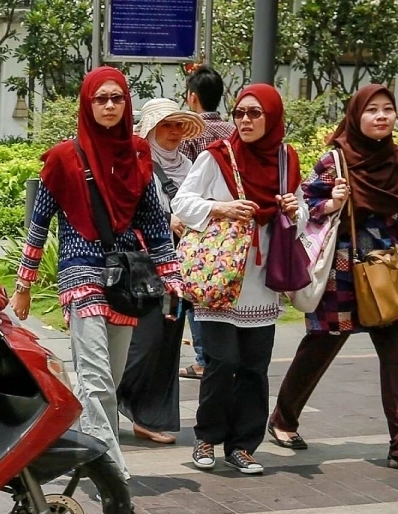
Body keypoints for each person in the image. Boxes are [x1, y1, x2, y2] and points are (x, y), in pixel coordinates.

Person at [12, 68, 182, 479]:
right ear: (87, 105)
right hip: (80, 272)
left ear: (127, 104)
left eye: (116, 98)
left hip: (126, 280)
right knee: (94, 377)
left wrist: (172, 279)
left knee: (111, 378)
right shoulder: (62, 157)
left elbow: (156, 224)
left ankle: (80, 445)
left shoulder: (139, 154)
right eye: (100, 99)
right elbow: (40, 222)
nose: (108, 106)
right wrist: (24, 284)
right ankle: (110, 468)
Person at [269, 84, 398, 474]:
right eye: (372, 110)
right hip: (340, 271)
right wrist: (333, 203)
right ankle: (283, 419)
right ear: (355, 116)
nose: (381, 116)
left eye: (388, 109)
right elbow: (305, 208)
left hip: (386, 271)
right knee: (320, 346)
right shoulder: (334, 162)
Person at [172, 84, 306, 475]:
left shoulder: (285, 160)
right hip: (219, 274)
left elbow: (299, 221)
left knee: (254, 366)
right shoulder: (218, 157)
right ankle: (206, 438)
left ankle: (244, 446)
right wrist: (222, 207)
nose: (244, 120)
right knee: (222, 361)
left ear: (273, 117)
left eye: (254, 113)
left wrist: (296, 209)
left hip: (262, 280)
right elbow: (183, 202)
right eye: (239, 113)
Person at [117, 98, 204, 445]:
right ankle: (97, 398)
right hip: (146, 263)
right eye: (167, 125)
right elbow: (123, 212)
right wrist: (164, 220)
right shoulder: (136, 165)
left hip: (183, 263)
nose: (173, 133)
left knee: (169, 340)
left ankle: (147, 416)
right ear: (151, 129)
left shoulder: (192, 166)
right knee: (145, 340)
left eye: (178, 125)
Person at [178, 66, 236, 381]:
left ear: (192, 97)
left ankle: (203, 358)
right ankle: (217, 352)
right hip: (231, 225)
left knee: (195, 290)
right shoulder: (232, 131)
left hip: (198, 222)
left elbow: (186, 185)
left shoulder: (190, 133)